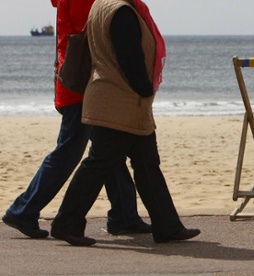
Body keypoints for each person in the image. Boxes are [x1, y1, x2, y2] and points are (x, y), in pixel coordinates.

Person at [50, 0, 200, 246]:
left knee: (146, 163)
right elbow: (129, 57)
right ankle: (66, 223)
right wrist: (144, 89)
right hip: (119, 100)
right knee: (99, 163)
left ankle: (168, 226)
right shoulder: (121, 11)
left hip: (115, 97)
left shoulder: (101, 5)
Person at [1, 0, 151, 239]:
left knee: (107, 149)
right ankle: (23, 209)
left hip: (80, 83)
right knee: (72, 150)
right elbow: (95, 33)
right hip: (84, 85)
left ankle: (124, 215)